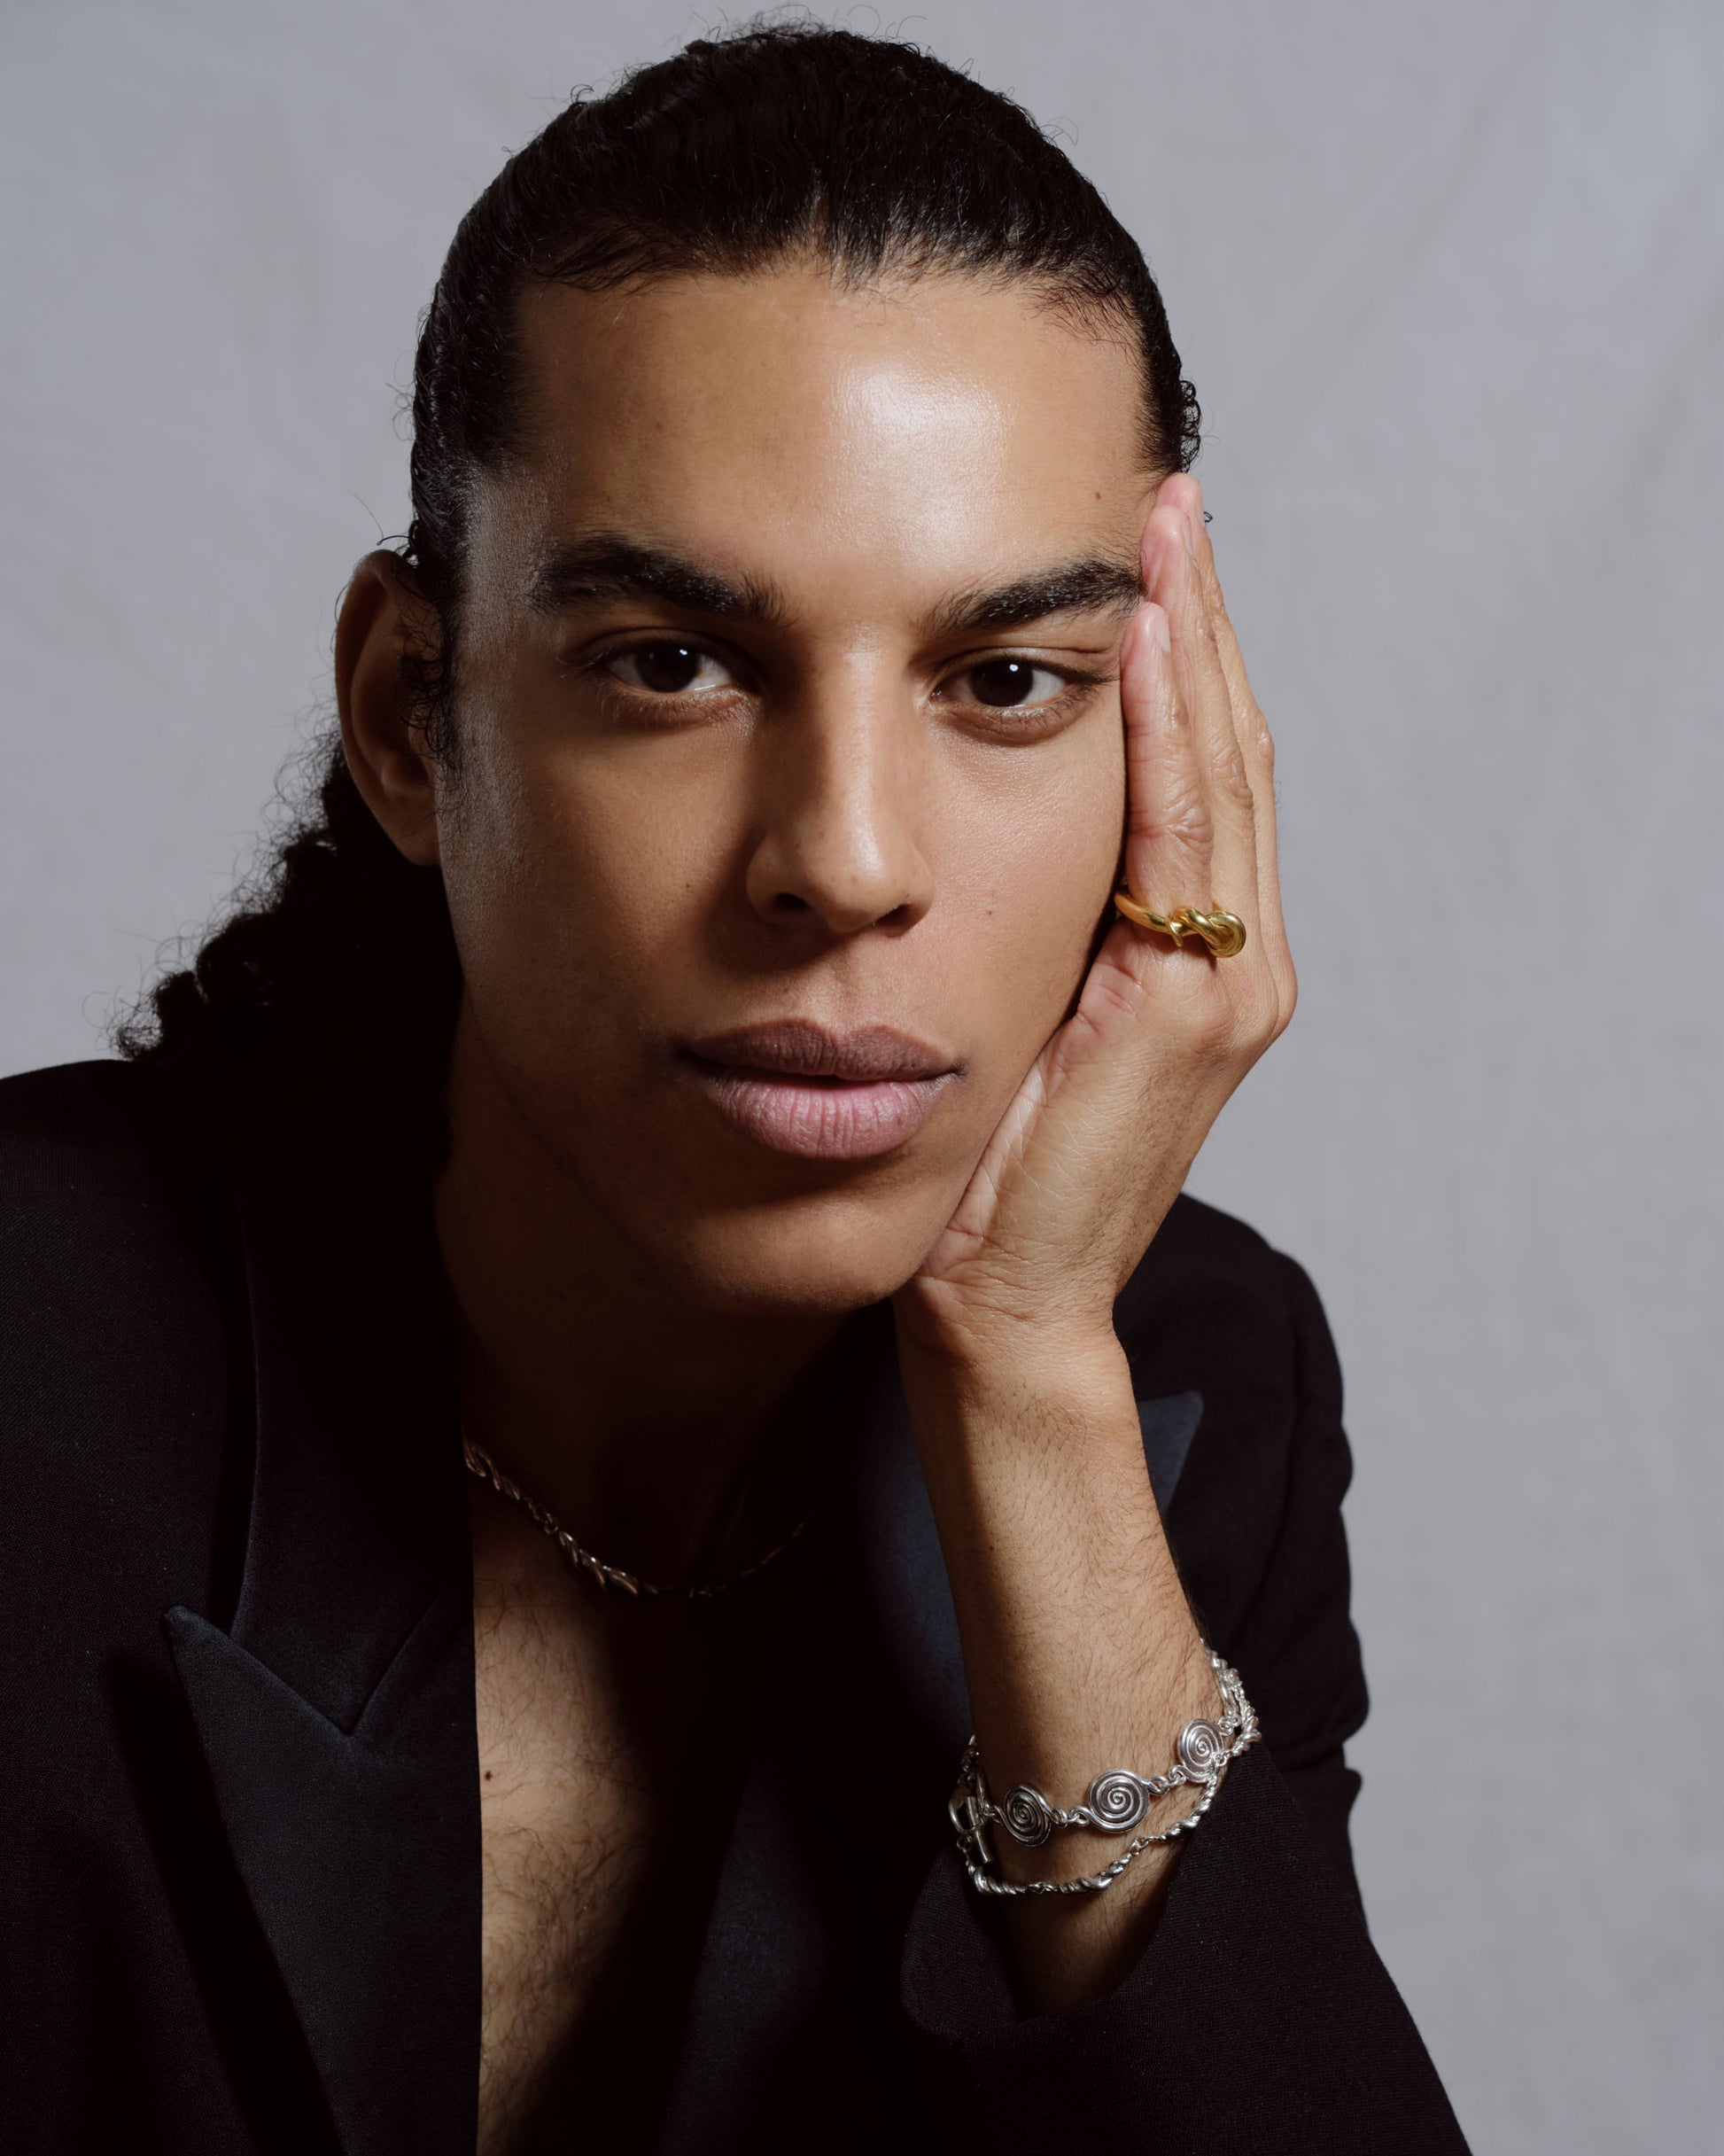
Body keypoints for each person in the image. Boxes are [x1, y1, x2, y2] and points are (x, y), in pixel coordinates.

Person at [0, 23, 1471, 2154]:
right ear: (416, 720)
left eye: (1006, 680)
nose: (846, 858)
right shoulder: (38, 1341)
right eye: (674, 664)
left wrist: (1030, 1376)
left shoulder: (1187, 1386)